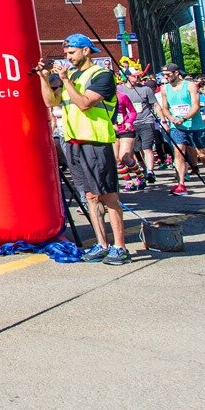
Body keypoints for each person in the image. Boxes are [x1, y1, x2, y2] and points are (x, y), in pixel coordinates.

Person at [37, 36, 131, 264]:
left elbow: (85, 103)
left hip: (95, 142)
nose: (68, 58)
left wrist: (66, 80)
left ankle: (120, 247)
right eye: (66, 54)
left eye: (72, 53)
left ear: (86, 51)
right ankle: (101, 244)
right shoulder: (73, 76)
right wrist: (43, 78)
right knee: (90, 196)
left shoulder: (101, 75)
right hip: (73, 142)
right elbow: (50, 102)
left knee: (108, 196)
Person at [157, 64, 205, 196]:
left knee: (202, 153)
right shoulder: (164, 89)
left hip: (195, 125)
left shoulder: (190, 85)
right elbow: (165, 108)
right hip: (177, 126)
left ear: (176, 73)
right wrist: (171, 118)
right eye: (164, 75)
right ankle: (181, 183)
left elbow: (196, 106)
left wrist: (184, 118)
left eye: (168, 74)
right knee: (179, 153)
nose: (166, 77)